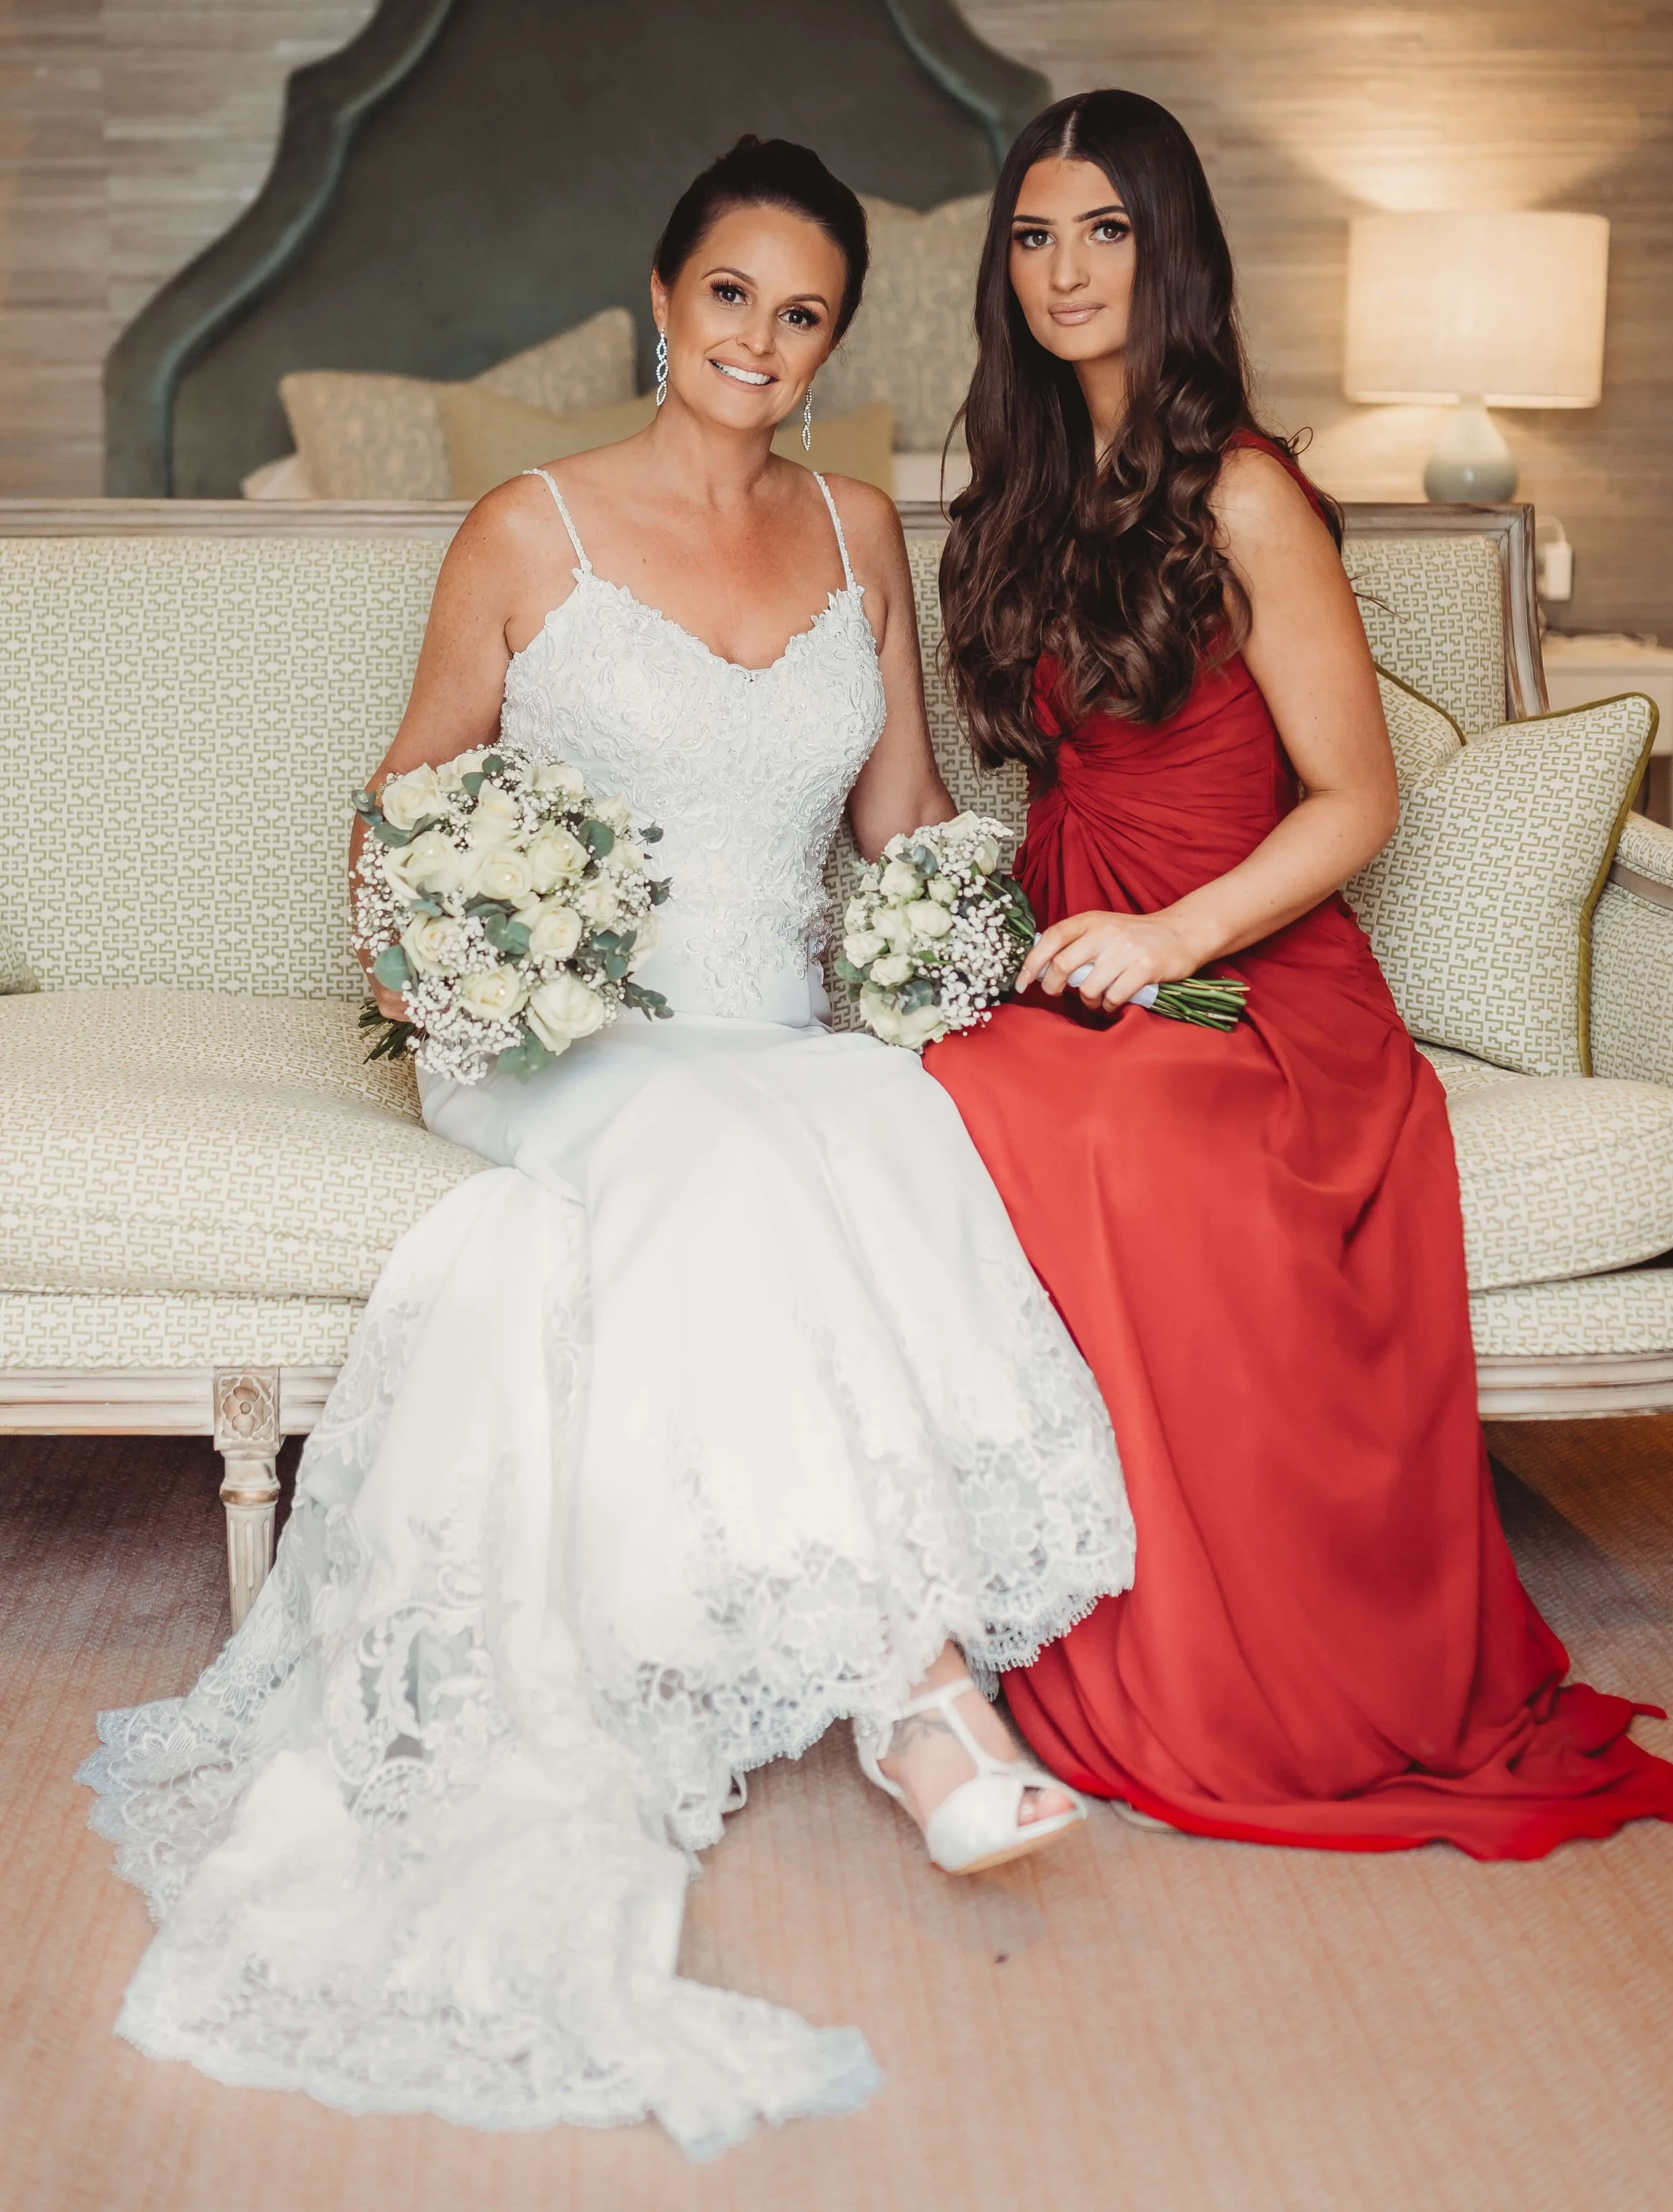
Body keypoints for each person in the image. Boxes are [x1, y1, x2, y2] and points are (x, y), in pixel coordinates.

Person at [78, 137, 1133, 2157]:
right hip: (559, 1041)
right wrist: (470, 948)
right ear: (663, 300)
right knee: (725, 1138)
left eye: (801, 309)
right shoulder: (525, 530)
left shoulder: (853, 533)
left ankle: (926, 1667)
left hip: (770, 1028)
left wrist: (967, 935)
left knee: (875, 1107)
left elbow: (898, 816)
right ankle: (917, 1701)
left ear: (833, 341)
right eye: (727, 293)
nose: (758, 337)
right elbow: (395, 829)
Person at [928, 86, 1673, 1859]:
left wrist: (1168, 937)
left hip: (1246, 971)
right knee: (939, 1091)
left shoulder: (1244, 490)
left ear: (1169, 249)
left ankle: (1213, 1652)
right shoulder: (1028, 490)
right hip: (1082, 945)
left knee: (1091, 1128)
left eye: (1102, 230)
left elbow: (1354, 799)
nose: (1063, 267)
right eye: (1032, 235)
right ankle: (1025, 1602)